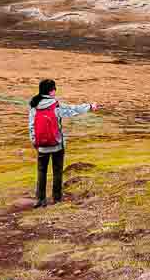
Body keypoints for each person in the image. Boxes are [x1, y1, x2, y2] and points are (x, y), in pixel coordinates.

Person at [27, 79, 98, 207]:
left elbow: (31, 126)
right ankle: (57, 198)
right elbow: (73, 110)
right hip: (56, 144)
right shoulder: (56, 105)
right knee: (57, 171)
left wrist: (35, 142)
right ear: (51, 91)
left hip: (41, 146)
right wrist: (90, 107)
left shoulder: (33, 105)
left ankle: (41, 200)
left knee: (41, 172)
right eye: (54, 89)